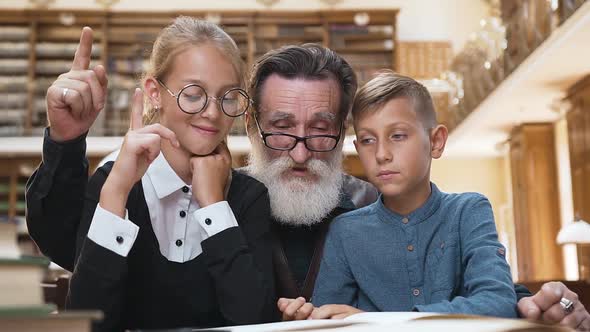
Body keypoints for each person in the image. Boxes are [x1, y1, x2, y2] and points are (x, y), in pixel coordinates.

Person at [26, 39, 589, 329]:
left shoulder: (370, 201)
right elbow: (68, 242)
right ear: (249, 126)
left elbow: (440, 268)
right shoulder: (221, 196)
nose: (299, 152)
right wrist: (65, 140)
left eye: (320, 132)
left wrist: (535, 303)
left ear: (345, 135)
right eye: (280, 130)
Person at [27, 18, 276, 331]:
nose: (213, 113)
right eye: (193, 93)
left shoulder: (249, 196)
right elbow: (88, 322)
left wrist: (214, 206)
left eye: (228, 97)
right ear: (154, 93)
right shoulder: (114, 183)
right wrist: (116, 192)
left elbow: (255, 320)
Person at [280, 71, 517, 318]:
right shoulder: (345, 231)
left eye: (397, 136)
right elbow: (327, 320)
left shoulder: (468, 211)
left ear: (436, 141)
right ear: (357, 149)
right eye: (368, 140)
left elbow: (498, 303)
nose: (382, 154)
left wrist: (374, 321)